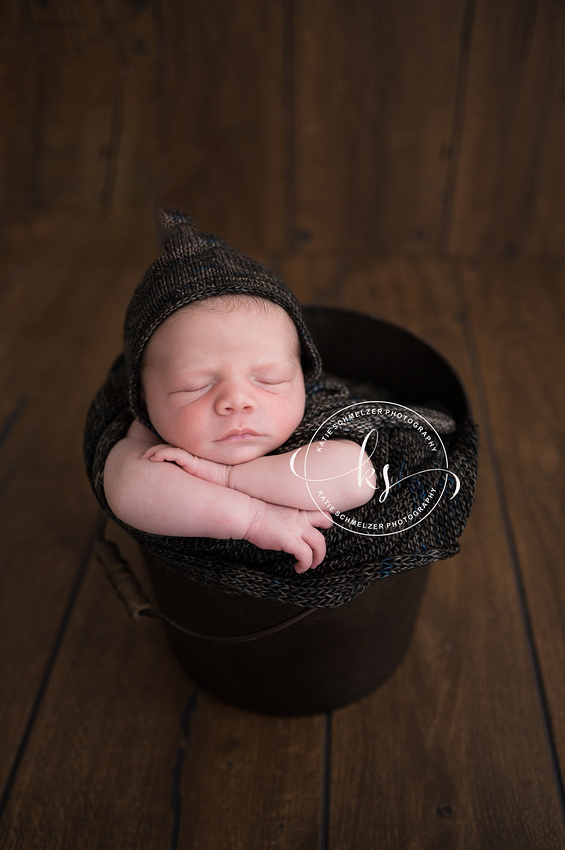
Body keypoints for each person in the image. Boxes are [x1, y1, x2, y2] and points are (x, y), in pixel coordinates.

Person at [102, 212, 375, 574]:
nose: (237, 401)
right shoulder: (150, 431)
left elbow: (358, 476)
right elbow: (126, 490)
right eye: (195, 386)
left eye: (270, 379)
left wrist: (229, 478)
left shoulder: (316, 411)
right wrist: (254, 519)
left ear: (303, 376)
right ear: (143, 395)